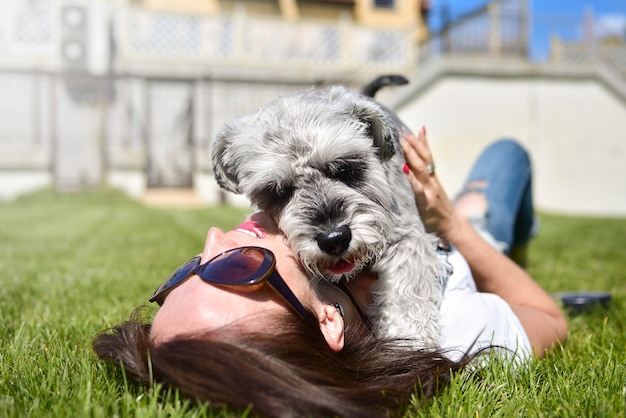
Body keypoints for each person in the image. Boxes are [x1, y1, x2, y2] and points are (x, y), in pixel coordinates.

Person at [94, 128, 567, 418]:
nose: (216, 236)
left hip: (412, 222)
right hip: (464, 240)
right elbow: (548, 316)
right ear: (328, 320)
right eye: (236, 267)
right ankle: (514, 242)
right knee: (507, 157)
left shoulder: (300, 255)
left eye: (190, 268)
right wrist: (451, 223)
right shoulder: (448, 330)